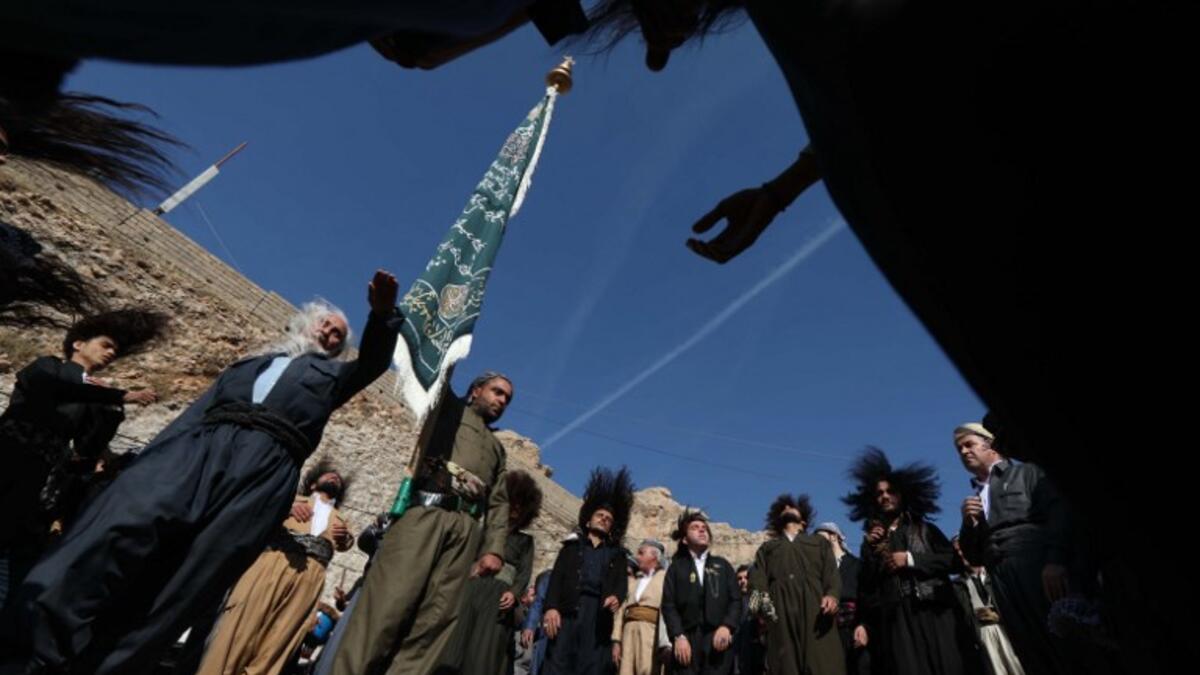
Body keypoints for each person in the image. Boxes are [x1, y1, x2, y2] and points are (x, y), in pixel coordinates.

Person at [12, 270, 401, 675]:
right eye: (324, 322)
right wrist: (146, 463)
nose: (329, 331)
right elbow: (192, 415)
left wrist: (383, 315)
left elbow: (373, 361)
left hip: (264, 469)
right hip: (197, 449)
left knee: (186, 581)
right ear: (304, 323)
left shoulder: (333, 378)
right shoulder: (249, 365)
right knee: (117, 530)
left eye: (338, 333)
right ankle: (32, 647)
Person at [542, 467, 635, 675]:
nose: (603, 519)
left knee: (590, 667)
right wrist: (551, 608)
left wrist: (616, 597)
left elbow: (621, 585)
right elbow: (556, 579)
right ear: (588, 520)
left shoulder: (617, 555)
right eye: (599, 515)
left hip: (597, 617)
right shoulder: (571, 548)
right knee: (558, 664)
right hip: (568, 613)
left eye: (608, 518)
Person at [747, 496, 842, 675]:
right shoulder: (768, 548)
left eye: (792, 507)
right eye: (784, 507)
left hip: (816, 615)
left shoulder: (819, 543)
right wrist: (766, 610)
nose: (788, 507)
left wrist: (832, 595)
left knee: (823, 664)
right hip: (780, 617)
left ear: (804, 521)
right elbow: (756, 582)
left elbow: (832, 575)